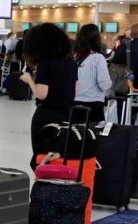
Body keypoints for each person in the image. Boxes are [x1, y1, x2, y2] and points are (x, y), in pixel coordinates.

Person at [19, 24, 77, 156]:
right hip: (66, 115)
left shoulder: (45, 64)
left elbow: (41, 94)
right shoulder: (71, 63)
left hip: (46, 116)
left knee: (42, 156)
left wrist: (29, 80)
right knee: (59, 156)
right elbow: (75, 91)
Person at [74, 24, 112, 122]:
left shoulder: (73, 57)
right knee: (93, 136)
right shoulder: (98, 58)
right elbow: (104, 84)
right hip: (93, 106)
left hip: (73, 105)